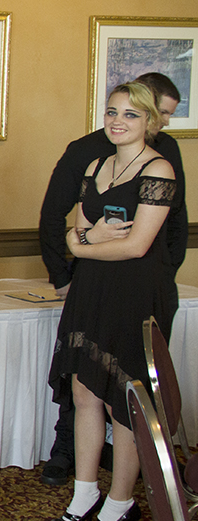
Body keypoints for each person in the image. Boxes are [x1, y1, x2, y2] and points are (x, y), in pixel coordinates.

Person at [37, 72, 187, 487]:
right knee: (84, 392)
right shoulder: (94, 162)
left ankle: (120, 502)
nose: (118, 121)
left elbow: (136, 246)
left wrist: (84, 244)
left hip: (133, 291)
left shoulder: (161, 166)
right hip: (92, 289)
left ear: (149, 121)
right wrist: (87, 240)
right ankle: (84, 493)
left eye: (130, 114)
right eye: (112, 112)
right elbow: (71, 227)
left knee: (124, 400)